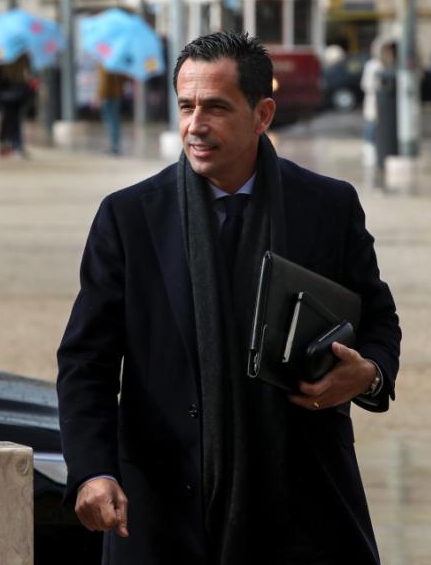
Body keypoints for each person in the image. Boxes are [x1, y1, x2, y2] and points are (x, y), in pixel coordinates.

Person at [56, 31, 401, 564]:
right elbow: (86, 362)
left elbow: (379, 320)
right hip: (164, 516)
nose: (196, 125)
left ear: (262, 114)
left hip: (306, 514)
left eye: (215, 107)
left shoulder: (328, 207)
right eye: (187, 106)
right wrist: (94, 472)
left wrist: (369, 374)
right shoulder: (129, 218)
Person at [359, 38, 395, 168]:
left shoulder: (389, 65)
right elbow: (366, 84)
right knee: (371, 128)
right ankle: (369, 156)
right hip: (374, 102)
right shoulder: (372, 65)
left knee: (380, 129)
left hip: (384, 106)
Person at [0, 55, 32, 157]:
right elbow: (27, 78)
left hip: (5, 96)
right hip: (18, 95)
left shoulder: (1, 62)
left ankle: (5, 144)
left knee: (6, 121)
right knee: (16, 121)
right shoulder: (23, 61)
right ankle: (16, 145)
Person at [96, 66, 126, 155]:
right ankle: (115, 145)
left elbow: (103, 83)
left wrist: (99, 96)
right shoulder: (117, 66)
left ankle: (114, 146)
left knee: (111, 121)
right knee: (114, 121)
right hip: (116, 95)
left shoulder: (105, 65)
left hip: (107, 96)